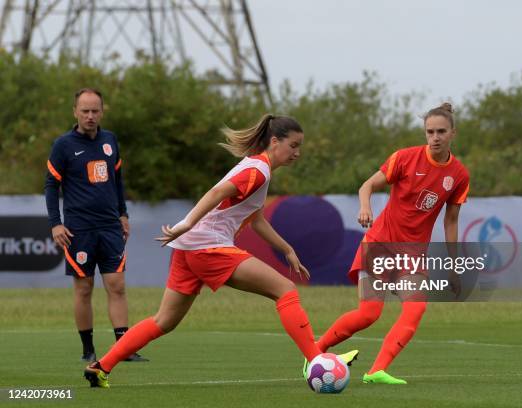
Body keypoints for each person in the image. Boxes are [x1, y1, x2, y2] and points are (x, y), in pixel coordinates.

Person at [83, 114, 358, 388]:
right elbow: (216, 193)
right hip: (208, 246)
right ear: (275, 141)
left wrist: (287, 249)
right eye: (294, 145)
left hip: (191, 248)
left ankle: (101, 366)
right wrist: (187, 222)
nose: (297, 153)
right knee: (285, 289)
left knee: (164, 321)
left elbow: (257, 219)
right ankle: (317, 360)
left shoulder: (258, 169)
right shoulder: (257, 170)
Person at [314, 103, 469, 384]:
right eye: (429, 131)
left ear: (453, 133)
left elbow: (451, 221)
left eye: (441, 132)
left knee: (416, 308)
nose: (434, 137)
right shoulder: (405, 158)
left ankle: (376, 371)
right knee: (368, 314)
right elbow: (367, 185)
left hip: (412, 254)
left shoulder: (459, 175)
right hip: (380, 244)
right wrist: (365, 207)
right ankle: (315, 353)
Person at [45, 88, 147, 363]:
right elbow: (51, 185)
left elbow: (118, 180)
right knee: (84, 287)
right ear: (75, 112)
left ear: (102, 111)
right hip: (79, 229)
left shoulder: (110, 140)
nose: (90, 116)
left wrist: (123, 214)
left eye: (95, 111)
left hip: (110, 227)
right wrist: (56, 224)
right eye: (85, 111)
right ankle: (87, 349)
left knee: (117, 285)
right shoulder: (63, 145)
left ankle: (123, 348)